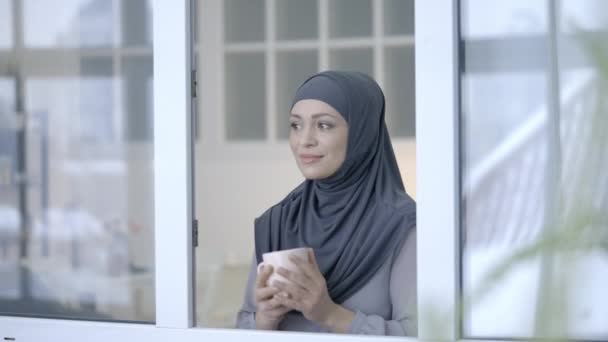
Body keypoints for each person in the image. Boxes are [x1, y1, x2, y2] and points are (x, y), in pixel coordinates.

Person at [235, 71, 417, 336]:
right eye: (296, 125)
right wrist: (265, 319)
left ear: (362, 133)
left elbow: (424, 334)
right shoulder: (278, 222)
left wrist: (330, 314)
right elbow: (241, 330)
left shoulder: (401, 226)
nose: (304, 140)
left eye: (324, 125)